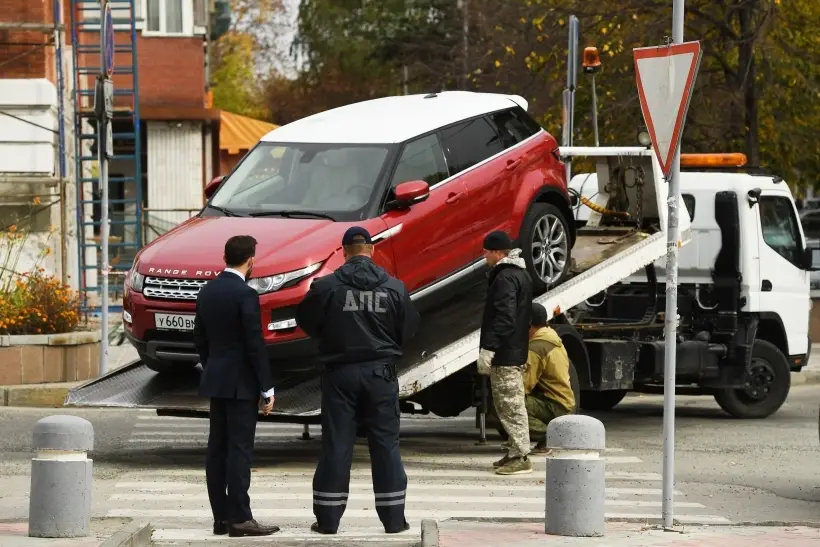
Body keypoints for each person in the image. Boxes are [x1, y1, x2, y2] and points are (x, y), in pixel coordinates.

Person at [296, 226, 420, 535]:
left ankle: (328, 521)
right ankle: (394, 521)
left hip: (340, 374)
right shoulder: (394, 287)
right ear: (372, 250)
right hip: (381, 373)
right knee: (385, 445)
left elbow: (306, 321)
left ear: (343, 251)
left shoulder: (325, 287)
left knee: (337, 445)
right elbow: (409, 329)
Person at [193, 235, 279, 538]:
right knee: (240, 451)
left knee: (217, 449)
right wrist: (266, 387)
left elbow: (200, 339)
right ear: (250, 260)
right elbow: (254, 343)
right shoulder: (245, 294)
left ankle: (221, 518)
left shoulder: (207, 292)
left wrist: (214, 365)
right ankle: (240, 518)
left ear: (225, 257)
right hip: (242, 383)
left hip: (216, 379)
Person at [477, 230, 534, 476]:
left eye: (487, 251)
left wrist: (489, 347)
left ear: (498, 253)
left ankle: (521, 456)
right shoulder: (520, 275)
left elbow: (504, 317)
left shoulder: (505, 278)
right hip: (514, 350)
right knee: (508, 403)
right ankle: (513, 450)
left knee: (510, 405)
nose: (484, 256)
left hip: (505, 353)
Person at [522, 302, 576, 455]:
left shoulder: (536, 347)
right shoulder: (552, 338)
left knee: (509, 403)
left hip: (555, 406)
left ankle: (551, 437)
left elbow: (525, 384)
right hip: (565, 404)